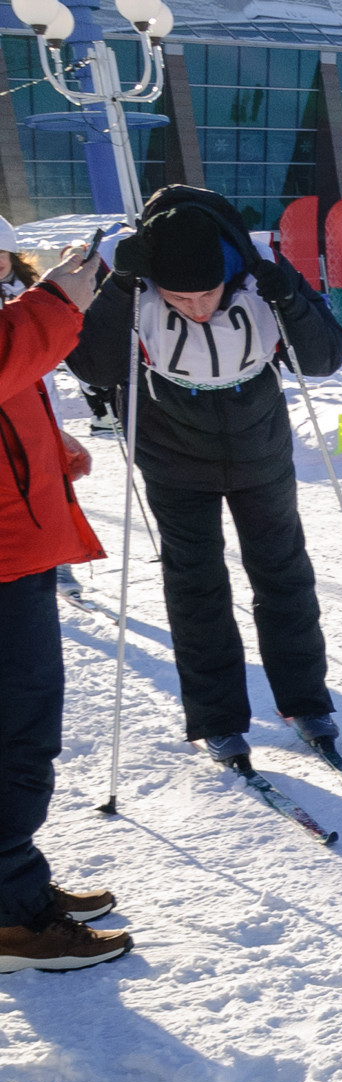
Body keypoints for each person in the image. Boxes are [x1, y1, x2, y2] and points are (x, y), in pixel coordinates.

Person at [68, 185, 342, 762]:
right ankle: (217, 715)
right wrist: (119, 289)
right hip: (172, 458)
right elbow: (92, 365)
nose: (196, 307)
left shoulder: (259, 276)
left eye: (207, 294)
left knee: (283, 575)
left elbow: (324, 359)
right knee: (195, 586)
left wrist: (292, 300)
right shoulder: (136, 285)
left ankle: (306, 701)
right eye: (180, 297)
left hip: (261, 451)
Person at [0, 232, 130, 973]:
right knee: (17, 736)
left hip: (16, 544)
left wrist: (52, 452)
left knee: (20, 728)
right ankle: (13, 918)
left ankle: (14, 883)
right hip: (4, 554)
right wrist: (54, 304)